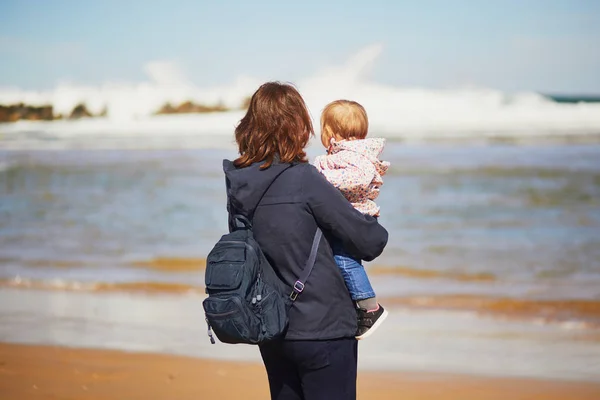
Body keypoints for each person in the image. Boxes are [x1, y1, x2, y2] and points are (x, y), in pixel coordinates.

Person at [223, 82, 388, 400]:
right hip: (323, 328)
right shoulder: (308, 179)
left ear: (250, 127)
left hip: (271, 327)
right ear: (299, 127)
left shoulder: (239, 184)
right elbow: (370, 242)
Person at [314, 100, 390, 340]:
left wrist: (322, 177)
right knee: (339, 260)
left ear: (332, 133)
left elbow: (358, 177)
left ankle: (370, 307)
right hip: (347, 217)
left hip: (353, 219)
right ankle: (353, 303)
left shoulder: (354, 155)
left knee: (345, 260)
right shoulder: (344, 154)